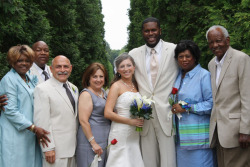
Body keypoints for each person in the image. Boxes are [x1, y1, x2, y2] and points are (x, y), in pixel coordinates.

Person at [128, 17, 178, 167]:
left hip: (167, 112)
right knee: (148, 160)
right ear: (142, 33)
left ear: (160, 31)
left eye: (154, 30)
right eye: (147, 31)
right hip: (144, 114)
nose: (150, 33)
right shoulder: (134, 53)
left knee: (168, 160)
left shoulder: (174, 49)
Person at [207, 25, 250, 167]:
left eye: (218, 41)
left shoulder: (241, 59)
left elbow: (247, 97)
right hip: (219, 132)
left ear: (227, 40)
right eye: (211, 42)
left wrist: (245, 130)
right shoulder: (211, 64)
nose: (215, 45)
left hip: (237, 133)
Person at [0, 45, 50, 167]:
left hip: (29, 134)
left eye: (27, 61)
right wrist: (33, 127)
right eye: (19, 60)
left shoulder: (27, 78)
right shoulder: (9, 79)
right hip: (14, 133)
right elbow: (10, 110)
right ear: (12, 62)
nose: (24, 64)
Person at [172, 40, 216, 167]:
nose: (184, 59)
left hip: (198, 139)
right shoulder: (177, 76)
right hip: (181, 138)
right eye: (180, 57)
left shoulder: (204, 76)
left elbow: (211, 104)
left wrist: (186, 107)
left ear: (195, 57)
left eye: (188, 56)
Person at [33, 55, 79, 167]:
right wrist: (48, 148)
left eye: (65, 67)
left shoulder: (74, 88)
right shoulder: (42, 89)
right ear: (51, 68)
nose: (62, 70)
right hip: (55, 151)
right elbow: (42, 121)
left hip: (73, 148)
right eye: (58, 67)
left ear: (71, 68)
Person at [104, 53, 144, 167]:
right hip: (121, 131)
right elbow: (107, 112)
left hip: (134, 133)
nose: (126, 69)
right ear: (117, 70)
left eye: (128, 65)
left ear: (134, 67)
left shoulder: (136, 85)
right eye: (122, 66)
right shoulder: (116, 86)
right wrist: (130, 121)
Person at [76, 62, 110, 167]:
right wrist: (93, 143)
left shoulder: (103, 92)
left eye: (101, 76)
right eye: (95, 76)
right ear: (88, 78)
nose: (98, 79)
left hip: (103, 140)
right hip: (90, 141)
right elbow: (83, 121)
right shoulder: (86, 94)